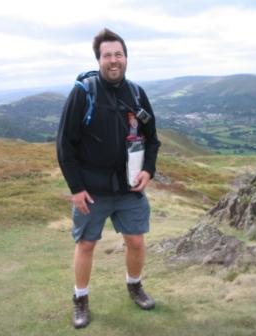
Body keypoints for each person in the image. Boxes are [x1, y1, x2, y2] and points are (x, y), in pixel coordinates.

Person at [56, 28, 160, 329]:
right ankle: (81, 298)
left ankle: (135, 285)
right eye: (107, 55)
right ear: (98, 59)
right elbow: (65, 144)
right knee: (86, 244)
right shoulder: (84, 91)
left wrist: (148, 170)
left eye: (118, 54)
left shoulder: (137, 93)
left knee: (136, 241)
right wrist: (76, 189)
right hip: (92, 190)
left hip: (129, 187)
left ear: (126, 57)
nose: (113, 60)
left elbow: (152, 139)